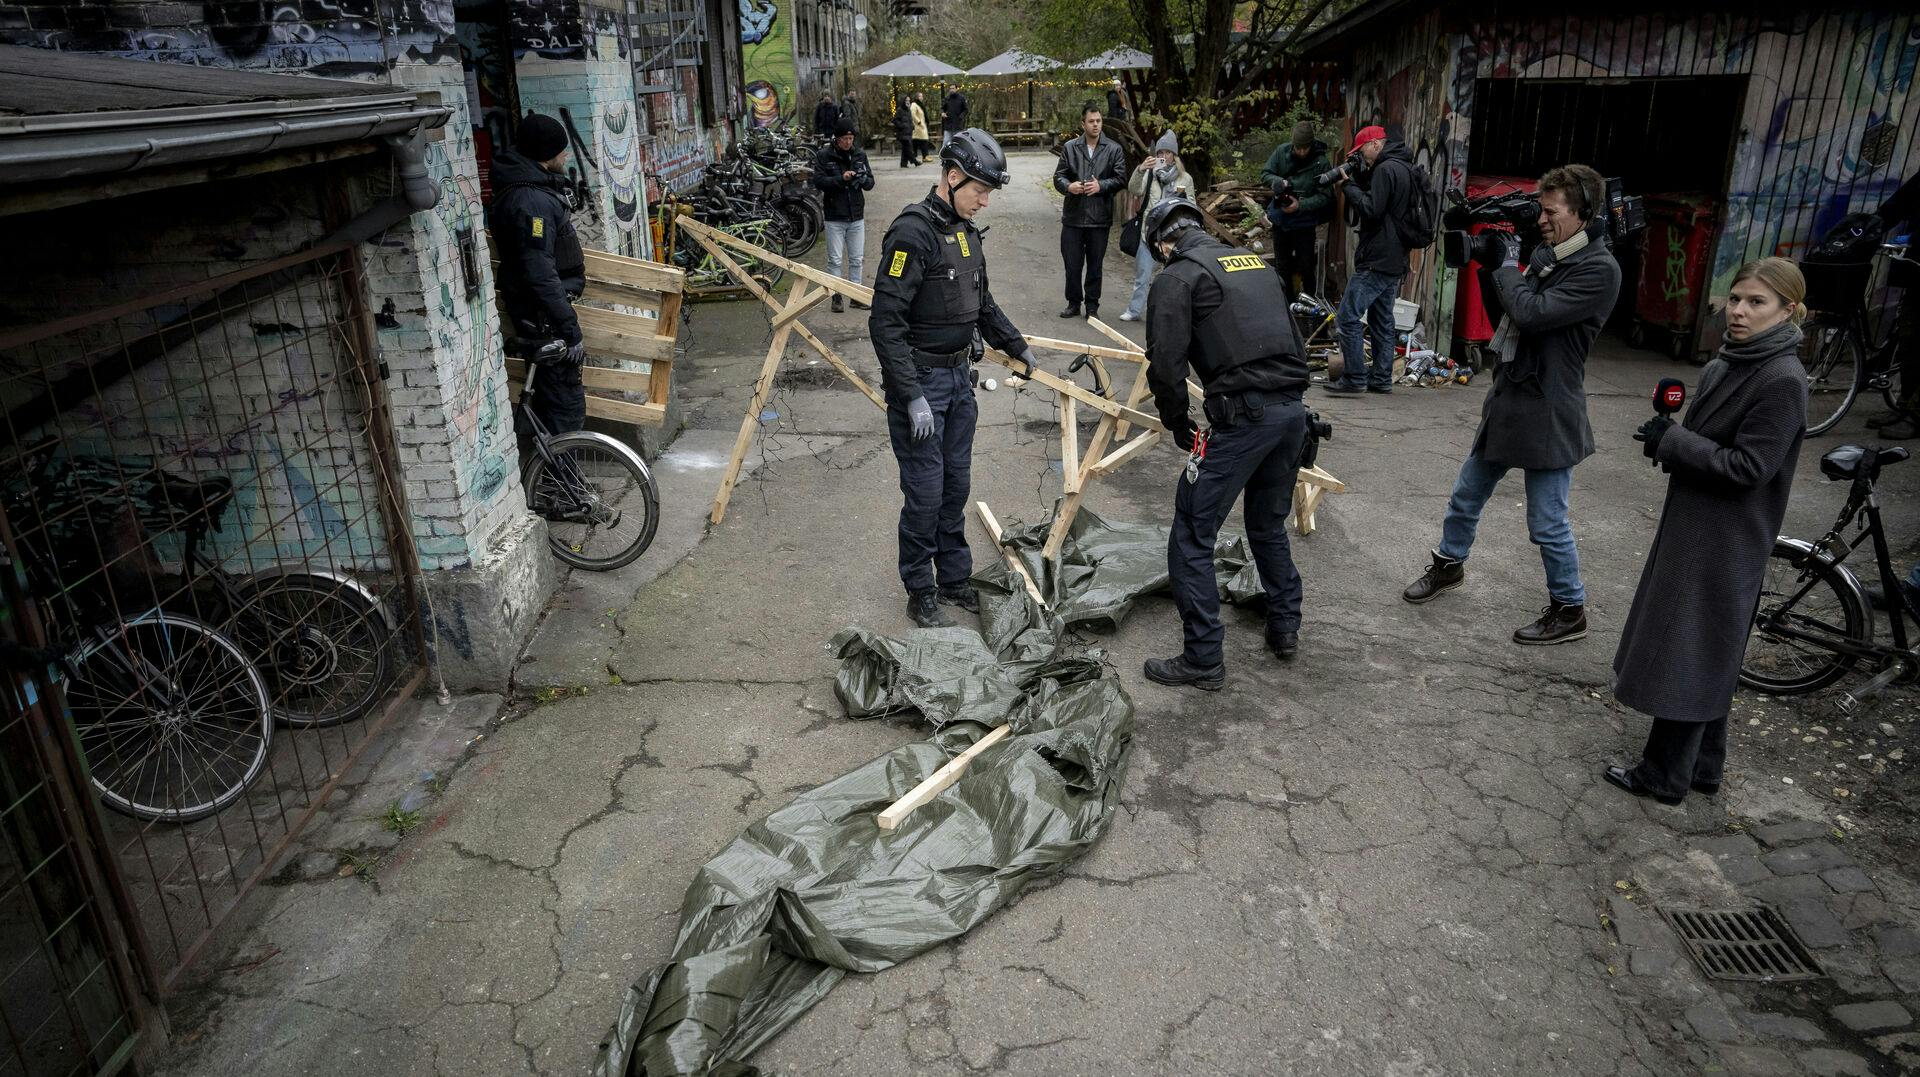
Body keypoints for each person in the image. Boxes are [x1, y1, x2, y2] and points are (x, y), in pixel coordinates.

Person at [1606, 258, 1810, 805]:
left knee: (1690, 647)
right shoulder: (1729, 362)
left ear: (1788, 310)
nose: (1738, 311)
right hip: (1696, 521)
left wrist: (1674, 443)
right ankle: (1701, 767)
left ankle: (1662, 775)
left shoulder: (1782, 378)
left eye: (1756, 302)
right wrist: (1666, 439)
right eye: (1735, 298)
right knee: (1708, 646)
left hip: (1727, 534)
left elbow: (1750, 468)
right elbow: (1706, 439)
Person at [1400, 164, 1621, 646]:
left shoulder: (1598, 270)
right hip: (1511, 396)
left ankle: (1570, 608)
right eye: (1540, 210)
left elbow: (1532, 313)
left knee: (1547, 522)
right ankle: (1448, 566)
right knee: (1466, 495)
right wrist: (1488, 264)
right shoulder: (1551, 255)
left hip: (1549, 408)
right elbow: (1507, 313)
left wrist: (1507, 263)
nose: (1541, 220)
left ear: (1582, 213)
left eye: (1550, 212)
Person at [1138, 195, 1313, 691]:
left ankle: (1203, 659)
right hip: (1291, 415)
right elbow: (1293, 340)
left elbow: (1166, 365)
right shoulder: (1256, 265)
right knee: (1267, 524)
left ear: (1162, 243)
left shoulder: (1177, 276)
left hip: (1244, 419)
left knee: (1193, 533)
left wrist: (1177, 422)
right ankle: (1284, 629)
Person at [869, 130, 1042, 628]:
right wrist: (910, 395)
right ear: (951, 177)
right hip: (921, 384)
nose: (985, 201)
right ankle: (919, 587)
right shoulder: (911, 234)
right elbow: (885, 322)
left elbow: (981, 304)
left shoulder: (965, 233)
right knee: (924, 494)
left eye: (989, 193)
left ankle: (954, 578)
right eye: (979, 191)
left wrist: (1015, 343)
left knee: (954, 486)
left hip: (959, 384)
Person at [489, 112, 586, 439]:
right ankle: (564, 488)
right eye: (562, 150)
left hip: (544, 316)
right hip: (545, 320)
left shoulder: (530, 189)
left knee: (554, 402)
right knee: (564, 406)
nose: (566, 155)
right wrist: (570, 330)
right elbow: (539, 271)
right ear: (547, 153)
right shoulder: (530, 201)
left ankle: (553, 481)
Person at [1323, 124, 1416, 394]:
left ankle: (1354, 378)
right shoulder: (1404, 167)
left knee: (1348, 316)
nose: (1361, 156)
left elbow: (1372, 209)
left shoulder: (1386, 170)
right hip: (1394, 256)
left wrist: (1348, 187)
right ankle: (1381, 378)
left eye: (1362, 150)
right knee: (1381, 319)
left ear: (1375, 144)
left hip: (1377, 257)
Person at [1052, 103, 1126, 320]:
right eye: (1091, 121)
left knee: (1095, 265)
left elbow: (1121, 179)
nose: (1096, 125)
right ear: (1082, 124)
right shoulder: (1070, 147)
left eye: (1098, 121)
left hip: (1099, 217)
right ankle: (1073, 303)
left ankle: (1092, 306)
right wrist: (1069, 186)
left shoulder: (1113, 149)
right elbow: (1058, 177)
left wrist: (1101, 186)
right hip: (1073, 217)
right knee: (1072, 264)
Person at [1119, 130, 1193, 322]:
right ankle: (1134, 311)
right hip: (1149, 233)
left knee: (1169, 279)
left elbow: (1192, 206)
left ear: (1174, 155)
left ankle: (1164, 314)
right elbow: (1134, 190)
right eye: (1160, 153)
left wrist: (1182, 200)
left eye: (1167, 153)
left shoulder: (1185, 179)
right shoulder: (1150, 175)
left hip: (1172, 236)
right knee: (1142, 275)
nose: (1163, 157)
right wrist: (1141, 169)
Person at [1260, 122, 1334, 301]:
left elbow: (1325, 196)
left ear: (1311, 144)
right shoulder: (1281, 152)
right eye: (1298, 148)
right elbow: (1265, 174)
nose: (1301, 152)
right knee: (1282, 266)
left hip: (1304, 224)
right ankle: (1286, 303)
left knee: (1306, 267)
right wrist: (1279, 182)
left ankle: (1310, 304)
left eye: (1305, 148)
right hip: (1281, 222)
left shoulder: (1321, 162)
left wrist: (1300, 205)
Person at [813, 116, 874, 313]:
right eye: (845, 138)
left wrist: (863, 180)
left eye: (851, 138)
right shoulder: (824, 156)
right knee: (835, 260)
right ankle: (836, 296)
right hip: (835, 216)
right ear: (837, 138)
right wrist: (842, 178)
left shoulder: (860, 155)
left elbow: (871, 183)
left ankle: (856, 296)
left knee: (857, 259)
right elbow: (819, 181)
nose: (848, 142)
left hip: (856, 215)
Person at [892, 94, 915, 169]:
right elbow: (895, 120)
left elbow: (910, 120)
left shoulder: (909, 110)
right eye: (906, 100)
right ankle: (913, 160)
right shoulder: (900, 110)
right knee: (908, 147)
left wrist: (912, 126)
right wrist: (902, 126)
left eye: (909, 100)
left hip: (908, 132)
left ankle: (903, 163)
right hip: (902, 133)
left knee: (905, 149)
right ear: (903, 101)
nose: (908, 102)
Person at [909, 93, 931, 166]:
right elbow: (912, 114)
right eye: (920, 96)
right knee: (922, 141)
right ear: (916, 97)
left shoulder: (920, 105)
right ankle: (923, 156)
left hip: (921, 126)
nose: (921, 97)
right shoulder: (914, 105)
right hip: (917, 126)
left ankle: (923, 156)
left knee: (921, 140)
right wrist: (918, 122)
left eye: (922, 96)